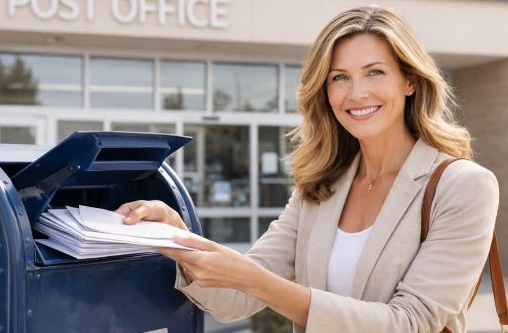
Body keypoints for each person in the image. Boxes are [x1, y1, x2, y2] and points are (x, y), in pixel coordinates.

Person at [115, 5, 499, 333]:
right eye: (339, 77)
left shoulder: (464, 186)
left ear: (410, 80)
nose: (356, 93)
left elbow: (410, 322)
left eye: (375, 72)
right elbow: (232, 300)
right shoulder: (320, 187)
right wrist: (178, 239)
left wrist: (259, 281)